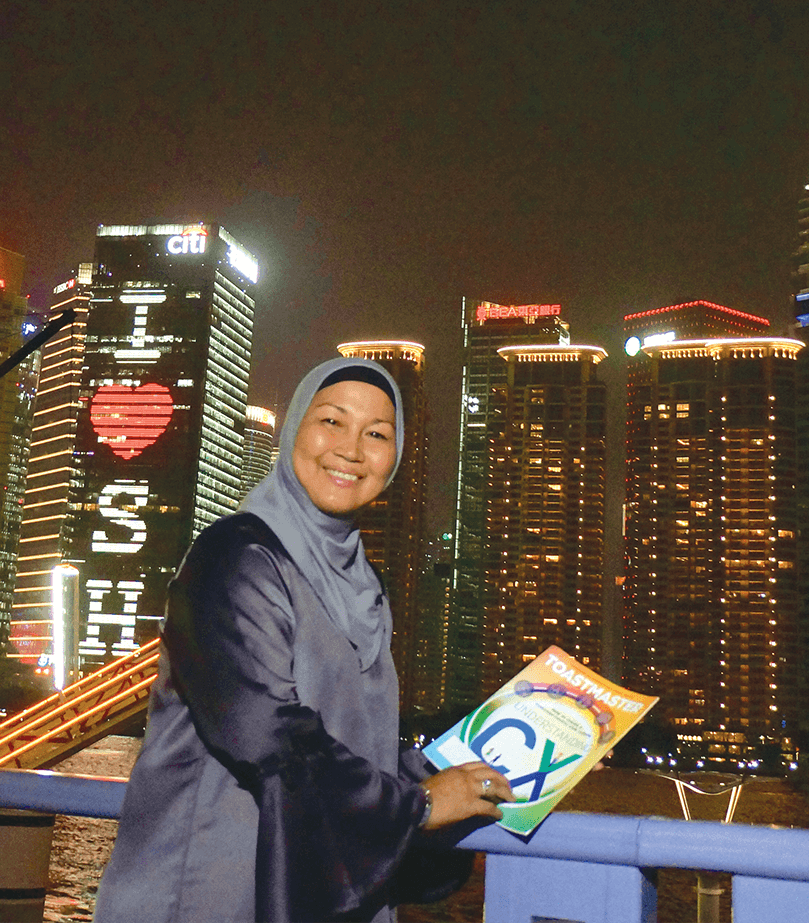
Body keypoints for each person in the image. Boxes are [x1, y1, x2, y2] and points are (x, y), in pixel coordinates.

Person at [95, 357, 511, 923]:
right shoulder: (235, 557)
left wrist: (450, 773)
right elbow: (265, 731)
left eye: (378, 434)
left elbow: (352, 733)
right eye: (332, 421)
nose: (351, 449)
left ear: (396, 458)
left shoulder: (363, 586)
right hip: (211, 889)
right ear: (294, 431)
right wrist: (420, 805)